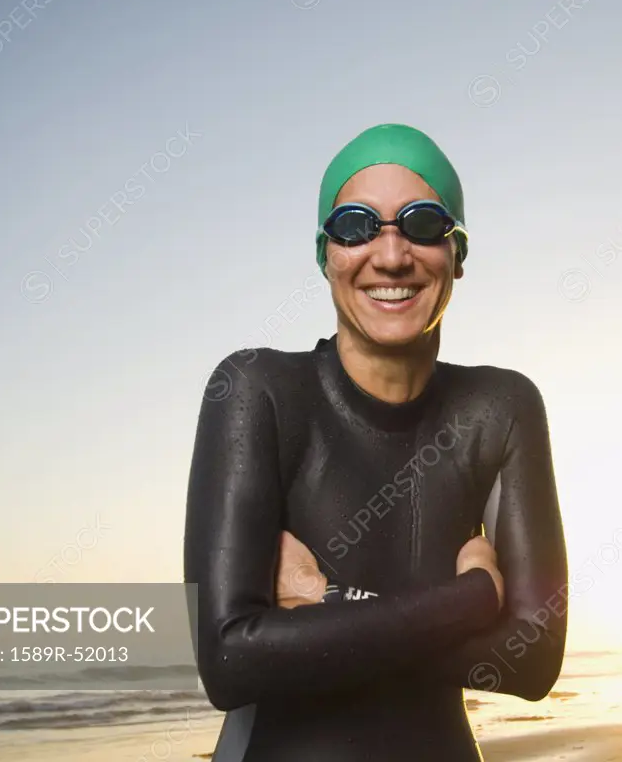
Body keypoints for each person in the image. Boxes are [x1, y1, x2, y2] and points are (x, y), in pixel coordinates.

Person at [184, 123, 568, 762]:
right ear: (324, 255)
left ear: (459, 255)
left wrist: (322, 607)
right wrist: (471, 599)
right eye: (356, 226)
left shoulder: (500, 409)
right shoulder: (259, 390)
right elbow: (228, 662)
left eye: (422, 223)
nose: (390, 256)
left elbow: (531, 661)